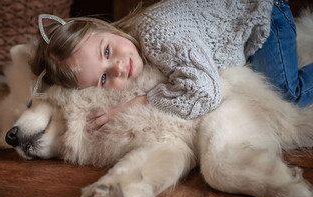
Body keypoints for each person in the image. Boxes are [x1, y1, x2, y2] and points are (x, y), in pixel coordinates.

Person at [30, 0, 311, 132]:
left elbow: (205, 93)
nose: (117, 68)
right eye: (103, 79)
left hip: (264, 12)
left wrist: (138, 102)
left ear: (107, 29)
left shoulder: (158, 37)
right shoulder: (139, 42)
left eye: (107, 51)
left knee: (287, 94)